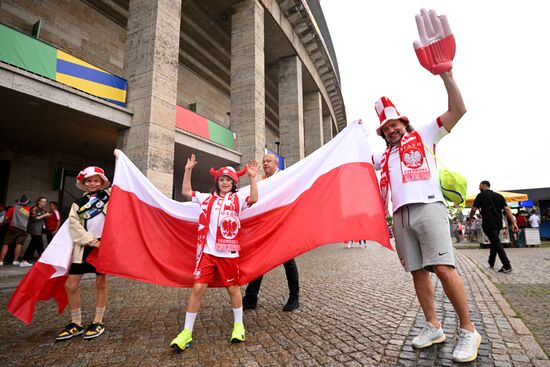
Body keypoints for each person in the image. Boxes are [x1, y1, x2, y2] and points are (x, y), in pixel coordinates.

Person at [371, 58, 481, 362]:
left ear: (404, 124)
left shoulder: (424, 134)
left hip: (429, 207)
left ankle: (468, 330)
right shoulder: (383, 156)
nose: (391, 130)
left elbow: (458, 110)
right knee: (417, 272)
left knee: (444, 269)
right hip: (401, 216)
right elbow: (356, 167)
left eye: (395, 124)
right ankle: (433, 326)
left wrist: (447, 76)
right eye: (385, 128)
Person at [170, 154, 259, 351]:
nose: (225, 182)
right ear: (217, 182)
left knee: (233, 289)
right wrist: (188, 170)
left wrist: (252, 177)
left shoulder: (238, 199)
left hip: (229, 254)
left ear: (234, 183)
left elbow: (254, 198)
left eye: (229, 179)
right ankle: (186, 332)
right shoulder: (206, 198)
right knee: (197, 289)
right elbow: (185, 191)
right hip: (208, 253)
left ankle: (238, 326)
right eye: (222, 179)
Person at [55, 164, 112, 341]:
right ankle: (76, 323)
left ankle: (98, 320)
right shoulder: (77, 203)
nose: (93, 183)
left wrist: (119, 157)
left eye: (96, 180)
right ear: (84, 183)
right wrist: (92, 241)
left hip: (104, 247)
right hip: (84, 246)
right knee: (70, 285)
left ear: (102, 182)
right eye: (90, 181)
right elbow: (74, 225)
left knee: (100, 283)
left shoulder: (110, 197)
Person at [242, 153, 300, 311]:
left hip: (282, 225)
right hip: (266, 226)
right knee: (259, 259)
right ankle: (251, 297)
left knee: (288, 260)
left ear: (276, 163)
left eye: (269, 161)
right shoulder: (262, 182)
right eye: (264, 161)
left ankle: (294, 297)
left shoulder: (284, 177)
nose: (265, 163)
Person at [468, 181, 518, 273]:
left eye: (479, 185)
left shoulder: (481, 195)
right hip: (498, 223)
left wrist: (470, 219)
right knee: (494, 240)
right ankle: (491, 262)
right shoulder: (499, 196)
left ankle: (507, 265)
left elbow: (474, 209)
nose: (479, 187)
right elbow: (507, 209)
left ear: (483, 185)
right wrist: (514, 223)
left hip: (488, 223)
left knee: (496, 242)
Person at [0, 195, 31, 266]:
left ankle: (1, 261)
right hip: (23, 229)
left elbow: (6, 218)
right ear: (27, 203)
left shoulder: (13, 208)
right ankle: (15, 260)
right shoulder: (28, 210)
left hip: (13, 227)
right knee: (19, 244)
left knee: (6, 244)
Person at [20, 197, 51, 266]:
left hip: (39, 230)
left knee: (33, 245)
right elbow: (34, 219)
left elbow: (43, 218)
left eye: (45, 201)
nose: (44, 203)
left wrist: (46, 215)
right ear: (38, 202)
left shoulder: (43, 210)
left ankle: (24, 260)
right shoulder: (34, 208)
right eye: (43, 201)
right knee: (40, 245)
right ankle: (44, 260)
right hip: (34, 229)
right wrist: (45, 215)